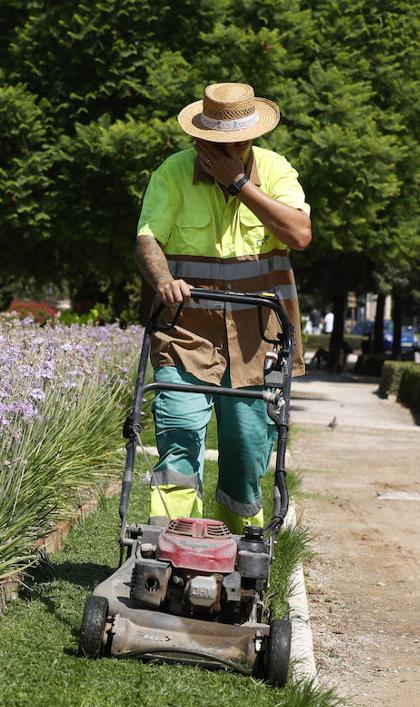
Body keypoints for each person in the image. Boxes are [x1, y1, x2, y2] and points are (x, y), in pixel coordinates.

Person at [135, 82, 312, 532]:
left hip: (262, 339)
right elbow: (147, 238)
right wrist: (162, 280)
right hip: (186, 333)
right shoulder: (172, 174)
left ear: (249, 140)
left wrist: (238, 184)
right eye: (211, 144)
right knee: (177, 431)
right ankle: (169, 543)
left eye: (232, 144)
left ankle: (236, 540)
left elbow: (300, 236)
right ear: (198, 139)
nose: (219, 151)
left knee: (248, 447)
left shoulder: (275, 171)